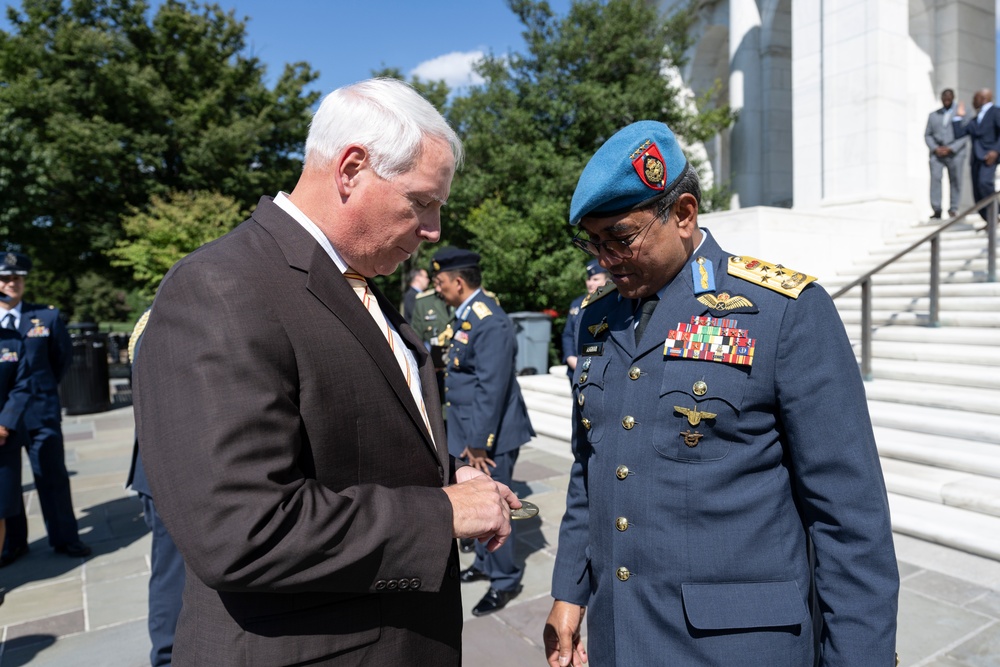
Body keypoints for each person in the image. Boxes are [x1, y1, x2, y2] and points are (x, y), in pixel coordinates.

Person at [133, 78, 519, 666]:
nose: (434, 229)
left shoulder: (351, 284)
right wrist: (441, 512)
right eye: (421, 202)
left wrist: (446, 479)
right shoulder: (222, 286)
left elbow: (350, 440)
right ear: (351, 168)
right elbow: (241, 530)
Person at [543, 120, 899, 666]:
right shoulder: (598, 318)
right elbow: (589, 464)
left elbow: (850, 520)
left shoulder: (784, 311)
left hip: (737, 648)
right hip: (621, 637)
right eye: (592, 243)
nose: (605, 260)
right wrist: (570, 589)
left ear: (683, 214)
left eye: (621, 238)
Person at [432, 247, 535, 617]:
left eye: (441, 282)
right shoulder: (465, 316)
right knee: (477, 503)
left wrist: (478, 444)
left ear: (458, 282)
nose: (437, 289)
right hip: (466, 428)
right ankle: (484, 564)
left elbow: (491, 388)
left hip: (488, 436)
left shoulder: (489, 320)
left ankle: (505, 579)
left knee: (496, 508)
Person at [0, 252, 90, 566]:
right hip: (4, 420)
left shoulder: (46, 317)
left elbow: (60, 359)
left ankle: (65, 538)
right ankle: (13, 542)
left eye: (17, 277)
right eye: (5, 278)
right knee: (7, 482)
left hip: (41, 411)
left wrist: (43, 391)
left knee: (52, 477)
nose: (12, 283)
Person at [124, 309, 185, 667]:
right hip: (172, 468)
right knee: (173, 575)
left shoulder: (157, 312)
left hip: (160, 463)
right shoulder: (175, 314)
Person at [0, 304, 34, 597]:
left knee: (1, 509)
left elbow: (22, 384)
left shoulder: (11, 341)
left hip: (3, 439)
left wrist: (5, 423)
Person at [954, 88, 1000, 224]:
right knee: (977, 193)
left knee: (984, 183)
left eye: (975, 98)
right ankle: (990, 220)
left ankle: (995, 212)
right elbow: (959, 133)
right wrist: (958, 117)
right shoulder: (975, 120)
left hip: (989, 157)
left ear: (983, 98)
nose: (973, 101)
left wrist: (995, 151)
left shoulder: (996, 112)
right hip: (975, 160)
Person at [561, 259, 609, 376]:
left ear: (607, 280)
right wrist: (570, 357)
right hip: (576, 368)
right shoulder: (578, 303)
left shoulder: (614, 303)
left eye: (595, 279)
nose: (590, 283)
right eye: (588, 279)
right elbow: (568, 334)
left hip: (600, 369)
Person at [925, 88, 966, 219]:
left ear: (953, 97)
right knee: (935, 180)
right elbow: (927, 135)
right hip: (937, 153)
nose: (946, 99)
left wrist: (951, 148)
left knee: (955, 180)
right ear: (941, 98)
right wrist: (935, 148)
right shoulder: (933, 115)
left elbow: (965, 135)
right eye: (944, 97)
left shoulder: (960, 113)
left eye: (949, 97)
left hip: (955, 153)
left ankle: (953, 208)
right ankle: (936, 209)